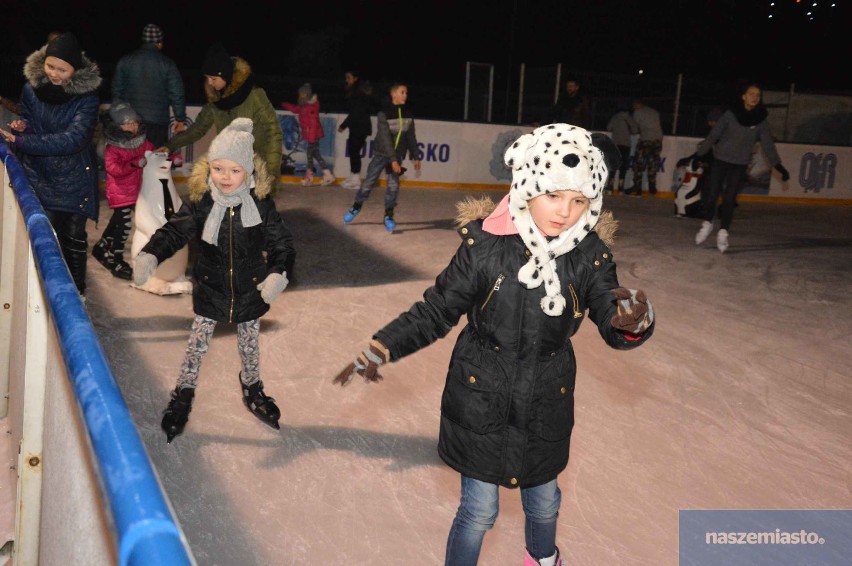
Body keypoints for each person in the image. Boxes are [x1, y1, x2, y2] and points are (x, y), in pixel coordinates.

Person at [333, 123, 655, 566]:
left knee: (545, 502)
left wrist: (630, 321)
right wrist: (385, 344)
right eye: (554, 196)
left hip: (546, 399)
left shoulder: (590, 255)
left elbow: (609, 308)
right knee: (479, 511)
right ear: (528, 186)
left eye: (578, 200)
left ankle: (543, 560)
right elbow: (436, 310)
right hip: (482, 396)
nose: (564, 211)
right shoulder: (486, 247)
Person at [133, 118, 295, 443]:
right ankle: (184, 392)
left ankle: (252, 387)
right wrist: (151, 254)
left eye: (234, 171)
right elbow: (174, 230)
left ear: (248, 172)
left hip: (251, 288)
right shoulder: (202, 203)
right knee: (196, 347)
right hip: (210, 286)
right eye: (218, 168)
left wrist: (279, 272)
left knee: (250, 348)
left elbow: (282, 244)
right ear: (209, 168)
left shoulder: (261, 205)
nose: (225, 177)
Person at [0, 32, 101, 297]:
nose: (55, 74)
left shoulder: (87, 97)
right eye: (50, 66)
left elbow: (74, 140)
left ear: (75, 69)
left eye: (62, 69)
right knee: (47, 239)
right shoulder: (31, 89)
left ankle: (77, 295)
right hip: (40, 174)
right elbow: (33, 121)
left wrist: (24, 142)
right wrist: (24, 127)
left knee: (74, 239)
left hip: (74, 177)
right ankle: (45, 295)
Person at [159, 43, 283, 193]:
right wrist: (170, 145)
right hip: (232, 166)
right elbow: (198, 129)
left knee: (254, 212)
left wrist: (271, 169)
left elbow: (273, 132)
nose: (209, 82)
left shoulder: (255, 96)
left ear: (224, 75)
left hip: (257, 166)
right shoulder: (216, 102)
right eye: (207, 78)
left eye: (213, 78)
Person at [692, 82, 789, 253]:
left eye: (757, 95)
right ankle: (707, 223)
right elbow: (714, 135)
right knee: (711, 194)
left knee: (729, 199)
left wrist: (778, 166)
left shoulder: (760, 120)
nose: (754, 97)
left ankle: (723, 232)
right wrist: (699, 154)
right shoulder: (731, 114)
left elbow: (767, 145)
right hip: (720, 159)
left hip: (739, 163)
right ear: (743, 96)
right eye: (751, 94)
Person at [341, 81, 421, 233]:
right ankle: (355, 207)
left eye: (406, 92)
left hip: (396, 157)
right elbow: (385, 139)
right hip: (381, 155)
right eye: (402, 92)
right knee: (368, 184)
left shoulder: (408, 114)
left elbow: (411, 137)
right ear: (394, 94)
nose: (405, 95)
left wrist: (416, 156)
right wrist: (393, 160)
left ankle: (388, 216)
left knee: (393, 186)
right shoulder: (383, 113)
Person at [93, 100, 155, 280]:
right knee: (125, 224)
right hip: (119, 192)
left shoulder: (142, 142)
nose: (133, 126)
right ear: (118, 126)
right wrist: (134, 163)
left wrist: (170, 157)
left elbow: (154, 152)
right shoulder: (112, 147)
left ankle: (102, 247)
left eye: (134, 122)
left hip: (135, 191)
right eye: (127, 123)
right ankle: (115, 259)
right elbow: (114, 170)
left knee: (118, 222)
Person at [111, 24, 187, 148]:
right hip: (157, 121)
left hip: (131, 121)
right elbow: (177, 94)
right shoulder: (167, 63)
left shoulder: (126, 60)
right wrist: (180, 118)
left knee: (131, 160)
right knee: (154, 159)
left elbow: (116, 92)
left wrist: (120, 117)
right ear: (159, 43)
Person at [280, 82, 334, 186]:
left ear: (305, 95)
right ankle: (327, 175)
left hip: (313, 136)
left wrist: (312, 139)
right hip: (311, 136)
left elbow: (313, 124)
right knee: (315, 155)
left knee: (310, 156)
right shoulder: (305, 106)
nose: (299, 96)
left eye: (301, 94)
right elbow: (296, 109)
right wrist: (285, 104)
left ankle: (310, 178)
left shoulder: (311, 107)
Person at [0, 31, 63, 116]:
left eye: (60, 43)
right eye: (51, 43)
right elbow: (25, 111)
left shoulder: (77, 80)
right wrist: (3, 101)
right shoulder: (35, 79)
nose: (56, 47)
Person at [337, 69, 375, 189]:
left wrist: (343, 125)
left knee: (354, 151)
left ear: (355, 79)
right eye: (346, 78)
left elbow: (356, 112)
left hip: (360, 126)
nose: (346, 80)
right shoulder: (355, 92)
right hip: (357, 126)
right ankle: (353, 175)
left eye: (349, 77)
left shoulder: (358, 93)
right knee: (353, 151)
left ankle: (356, 179)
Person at [626, 98, 663, 196]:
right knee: (652, 165)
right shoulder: (654, 112)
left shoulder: (637, 112)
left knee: (639, 165)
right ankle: (652, 189)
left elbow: (634, 129)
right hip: (658, 142)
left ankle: (637, 188)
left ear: (636, 105)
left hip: (646, 141)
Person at [605, 100, 639, 193]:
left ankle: (610, 187)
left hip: (615, 144)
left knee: (614, 166)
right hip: (625, 145)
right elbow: (635, 130)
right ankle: (620, 188)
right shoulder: (629, 118)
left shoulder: (615, 117)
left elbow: (608, 127)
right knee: (623, 167)